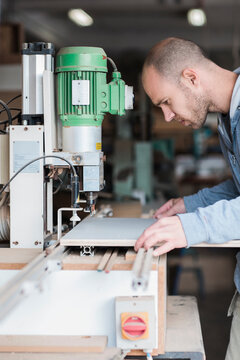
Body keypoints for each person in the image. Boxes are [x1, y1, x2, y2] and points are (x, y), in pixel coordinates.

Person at [134, 37, 240, 360]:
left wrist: (190, 227)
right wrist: (190, 205)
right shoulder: (228, 117)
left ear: (191, 78)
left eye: (166, 101)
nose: (166, 116)